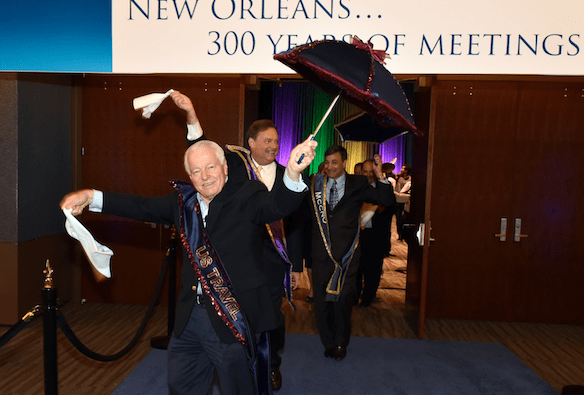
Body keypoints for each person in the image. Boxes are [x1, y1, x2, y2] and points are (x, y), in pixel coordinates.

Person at [60, 138, 317, 395]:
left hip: (234, 318)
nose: (204, 177)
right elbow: (141, 206)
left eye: (210, 168)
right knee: (182, 387)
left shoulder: (248, 194)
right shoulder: (184, 203)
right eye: (195, 171)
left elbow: (277, 206)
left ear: (225, 167)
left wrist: (293, 173)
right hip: (189, 320)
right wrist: (92, 197)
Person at [170, 91, 304, 391]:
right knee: (237, 330)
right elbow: (202, 154)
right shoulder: (234, 163)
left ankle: (270, 367)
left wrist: (296, 265)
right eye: (267, 140)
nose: (273, 146)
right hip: (239, 261)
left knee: (270, 321)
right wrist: (191, 115)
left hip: (272, 262)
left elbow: (293, 223)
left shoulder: (286, 173)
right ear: (251, 143)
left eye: (276, 141)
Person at [309, 145, 396, 361]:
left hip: (347, 257)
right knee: (322, 305)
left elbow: (385, 201)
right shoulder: (316, 183)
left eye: (335, 162)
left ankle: (340, 343)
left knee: (342, 303)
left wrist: (380, 176)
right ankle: (328, 341)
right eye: (327, 162)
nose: (330, 167)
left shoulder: (358, 183)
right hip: (321, 255)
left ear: (345, 162)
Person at [355, 159, 392, 307]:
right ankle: (354, 296)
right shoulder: (355, 189)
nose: (369, 174)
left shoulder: (383, 189)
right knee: (356, 269)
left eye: (372, 171)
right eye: (366, 171)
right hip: (358, 236)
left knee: (373, 271)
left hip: (376, 237)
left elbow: (389, 207)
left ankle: (367, 299)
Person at [396, 164, 412, 241]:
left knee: (405, 218)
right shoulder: (400, 179)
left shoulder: (410, 179)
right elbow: (398, 190)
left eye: (403, 168)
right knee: (398, 218)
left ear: (406, 171)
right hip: (399, 200)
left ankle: (405, 235)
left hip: (406, 201)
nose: (401, 169)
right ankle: (400, 235)